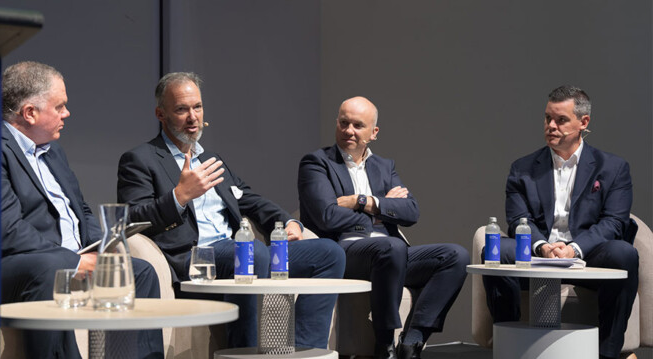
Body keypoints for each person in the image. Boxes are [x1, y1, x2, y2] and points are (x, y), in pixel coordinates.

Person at [116, 72, 346, 349]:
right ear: (160, 114)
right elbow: (132, 218)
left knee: (329, 254)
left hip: (238, 249)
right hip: (197, 257)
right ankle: (246, 352)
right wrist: (180, 196)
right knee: (252, 253)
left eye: (197, 107)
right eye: (181, 109)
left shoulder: (210, 158)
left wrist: (286, 221)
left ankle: (304, 348)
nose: (192, 117)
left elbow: (246, 198)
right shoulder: (141, 159)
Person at [0, 61, 163, 358]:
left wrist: (104, 245)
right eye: (60, 106)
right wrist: (73, 260)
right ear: (30, 113)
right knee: (53, 267)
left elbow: (81, 211)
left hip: (68, 256)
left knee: (141, 272)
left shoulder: (53, 150)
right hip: (18, 265)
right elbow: (8, 230)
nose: (67, 113)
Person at [297, 96, 469, 359]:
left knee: (455, 256)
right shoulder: (317, 163)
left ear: (373, 133)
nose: (348, 131)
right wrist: (381, 212)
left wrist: (362, 201)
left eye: (357, 125)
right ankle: (385, 344)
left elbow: (411, 211)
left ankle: (412, 341)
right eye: (343, 123)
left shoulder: (384, 166)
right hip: (345, 253)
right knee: (391, 246)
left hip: (391, 255)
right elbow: (327, 216)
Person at [482, 85, 639, 359]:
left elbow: (614, 222)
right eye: (547, 119)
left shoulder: (613, 168)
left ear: (583, 123)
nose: (551, 126)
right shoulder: (523, 169)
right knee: (494, 252)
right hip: (539, 255)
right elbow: (519, 219)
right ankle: (511, 343)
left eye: (561, 120)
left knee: (624, 253)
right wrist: (543, 246)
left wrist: (574, 248)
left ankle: (608, 353)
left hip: (587, 255)